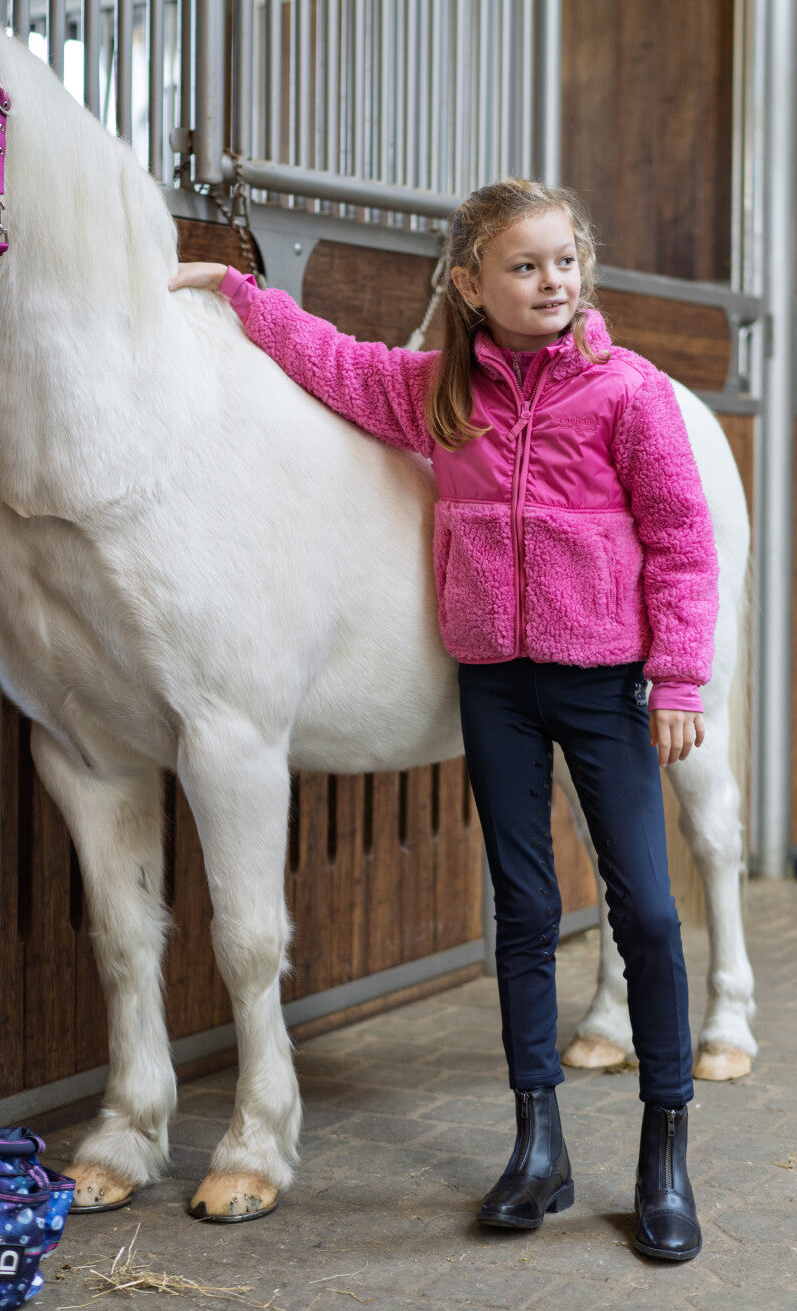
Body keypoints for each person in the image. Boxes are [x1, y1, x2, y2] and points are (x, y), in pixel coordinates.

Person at [169, 178, 718, 1263]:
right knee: (518, 909)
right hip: (494, 683)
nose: (550, 280)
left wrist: (680, 682)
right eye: (523, 266)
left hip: (601, 681)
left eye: (563, 260)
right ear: (469, 285)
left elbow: (679, 538)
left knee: (646, 912)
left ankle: (664, 1150)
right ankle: (536, 1146)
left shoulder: (627, 392)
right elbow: (333, 361)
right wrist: (235, 286)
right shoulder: (436, 391)